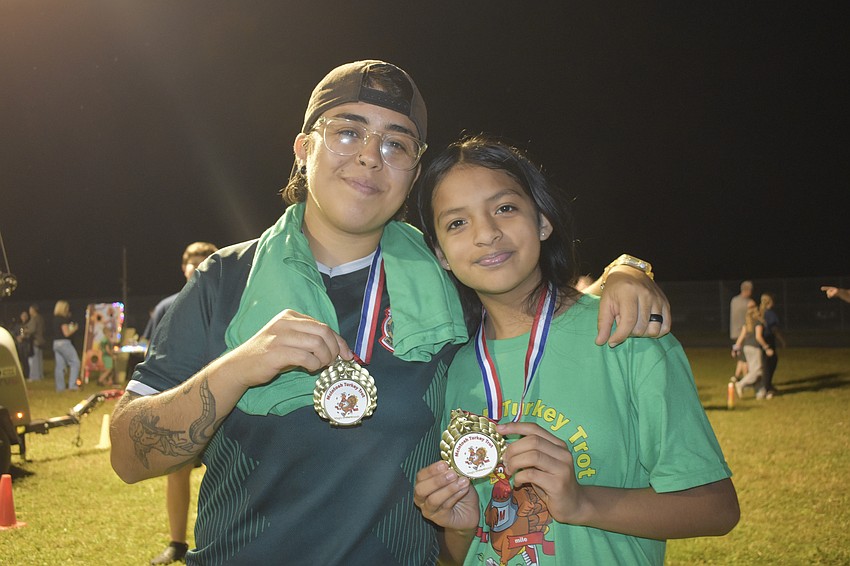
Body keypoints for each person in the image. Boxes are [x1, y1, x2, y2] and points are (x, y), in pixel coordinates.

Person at [109, 60, 671, 565]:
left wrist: (627, 269)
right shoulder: (225, 281)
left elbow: (543, 295)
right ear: (304, 150)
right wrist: (238, 367)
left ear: (414, 170)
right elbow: (130, 456)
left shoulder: (450, 276)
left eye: (396, 144)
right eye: (348, 132)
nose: (369, 157)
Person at [412, 135, 739, 565]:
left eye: (505, 208)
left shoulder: (625, 335)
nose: (487, 233)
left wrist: (583, 502)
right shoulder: (454, 370)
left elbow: (716, 507)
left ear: (543, 220)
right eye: (457, 223)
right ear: (441, 255)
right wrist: (458, 526)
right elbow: (461, 555)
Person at [147, 241, 219, 566]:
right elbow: (156, 356)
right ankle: (177, 542)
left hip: (223, 400)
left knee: (225, 473)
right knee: (177, 472)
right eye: (194, 262)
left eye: (206, 261)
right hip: (181, 401)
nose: (199, 267)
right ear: (184, 267)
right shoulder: (167, 307)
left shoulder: (229, 301)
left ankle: (219, 540)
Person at [732, 298, 773, 399]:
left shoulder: (747, 322)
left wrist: (735, 349)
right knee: (757, 371)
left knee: (755, 371)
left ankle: (760, 393)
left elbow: (741, 337)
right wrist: (767, 347)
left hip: (746, 348)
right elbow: (758, 337)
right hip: (755, 348)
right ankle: (741, 384)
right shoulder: (758, 322)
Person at [759, 292, 786, 400]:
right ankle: (767, 389)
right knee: (769, 364)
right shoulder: (770, 314)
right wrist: (782, 340)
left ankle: (768, 385)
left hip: (762, 341)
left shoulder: (760, 312)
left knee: (768, 364)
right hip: (768, 340)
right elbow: (774, 329)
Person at [52, 300, 81, 392]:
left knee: (60, 366)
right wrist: (74, 328)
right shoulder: (63, 319)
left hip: (56, 343)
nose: (68, 310)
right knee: (75, 362)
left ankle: (60, 388)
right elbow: (66, 333)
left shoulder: (55, 319)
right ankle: (72, 385)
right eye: (66, 308)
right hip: (64, 343)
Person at [729, 280, 753, 380]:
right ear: (748, 290)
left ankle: (736, 376)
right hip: (743, 333)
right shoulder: (749, 303)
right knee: (745, 358)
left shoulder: (734, 300)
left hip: (734, 332)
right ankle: (745, 379)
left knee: (740, 355)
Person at [23, 304, 46, 380]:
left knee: (34, 359)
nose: (29, 311)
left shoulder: (34, 318)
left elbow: (32, 329)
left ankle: (34, 376)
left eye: (30, 310)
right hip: (41, 340)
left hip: (35, 341)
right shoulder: (41, 318)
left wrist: (26, 331)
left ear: (33, 310)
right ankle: (40, 375)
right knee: (39, 359)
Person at [12, 310, 33, 377]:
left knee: (26, 360)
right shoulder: (18, 325)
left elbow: (30, 334)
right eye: (23, 316)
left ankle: (26, 374)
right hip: (19, 345)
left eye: (25, 316)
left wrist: (25, 337)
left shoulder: (29, 324)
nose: (24, 317)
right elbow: (14, 333)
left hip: (26, 345)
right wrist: (17, 338)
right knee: (20, 359)